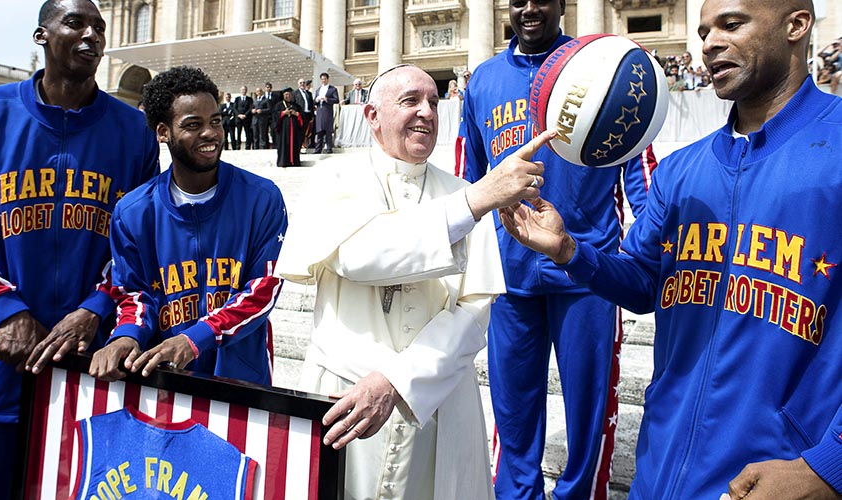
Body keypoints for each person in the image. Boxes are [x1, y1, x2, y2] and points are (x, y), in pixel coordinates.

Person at [498, 1, 842, 499]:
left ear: (797, 25)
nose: (710, 43)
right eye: (703, 31)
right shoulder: (681, 169)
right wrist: (570, 250)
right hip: (660, 474)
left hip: (779, 480)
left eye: (732, 24)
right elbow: (642, 283)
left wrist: (827, 467)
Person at [276, 64, 556, 500]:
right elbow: (358, 255)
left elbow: (475, 310)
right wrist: (476, 199)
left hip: (437, 395)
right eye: (410, 101)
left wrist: (399, 379)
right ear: (372, 116)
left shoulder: (462, 192)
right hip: (345, 390)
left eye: (433, 101)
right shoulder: (333, 178)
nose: (426, 111)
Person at [0, 0, 159, 496]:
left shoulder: (134, 133)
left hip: (90, 360)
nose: (91, 35)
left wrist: (95, 307)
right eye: (75, 23)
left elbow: (138, 246)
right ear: (41, 36)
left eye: (99, 27)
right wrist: (6, 308)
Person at [455, 0, 659, 498]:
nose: (529, 9)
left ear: (561, 5)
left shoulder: (601, 63)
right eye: (518, 0)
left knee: (589, 416)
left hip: (587, 273)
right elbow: (469, 178)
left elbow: (640, 169)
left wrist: (640, 254)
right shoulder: (481, 80)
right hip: (510, 276)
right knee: (513, 412)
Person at [89, 66, 287, 385]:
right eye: (193, 125)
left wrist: (196, 338)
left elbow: (263, 289)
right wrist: (126, 335)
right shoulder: (133, 211)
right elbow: (134, 292)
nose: (210, 133)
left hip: (238, 378)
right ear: (163, 132)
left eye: (216, 121)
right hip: (162, 378)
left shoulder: (261, 198)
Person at [273, 87, 304, 167]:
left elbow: (303, 117)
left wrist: (297, 114)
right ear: (283, 95)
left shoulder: (296, 106)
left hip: (294, 132)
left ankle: (294, 162)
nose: (288, 96)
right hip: (283, 132)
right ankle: (283, 162)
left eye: (290, 94)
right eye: (286, 94)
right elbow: (274, 116)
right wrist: (283, 113)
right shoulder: (278, 105)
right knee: (283, 146)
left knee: (294, 146)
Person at [313, 72, 339, 154]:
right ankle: (318, 149)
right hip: (319, 111)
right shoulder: (318, 90)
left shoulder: (333, 89)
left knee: (328, 131)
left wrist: (326, 99)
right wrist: (316, 100)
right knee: (319, 131)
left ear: (327, 79)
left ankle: (329, 148)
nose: (323, 80)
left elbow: (336, 100)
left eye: (325, 79)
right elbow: (314, 102)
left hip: (327, 111)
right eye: (322, 79)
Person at [293, 78, 315, 150]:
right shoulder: (295, 93)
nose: (302, 84)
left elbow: (311, 104)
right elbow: (293, 104)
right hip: (299, 115)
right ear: (298, 84)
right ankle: (298, 147)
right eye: (300, 83)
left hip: (307, 115)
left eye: (303, 83)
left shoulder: (309, 93)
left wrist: (312, 115)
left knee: (305, 132)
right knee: (299, 132)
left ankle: (303, 145)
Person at [233, 85, 254, 150]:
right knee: (238, 133)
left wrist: (245, 115)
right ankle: (237, 147)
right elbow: (234, 108)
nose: (243, 91)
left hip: (246, 118)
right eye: (242, 90)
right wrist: (239, 115)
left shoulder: (249, 99)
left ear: (246, 91)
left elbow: (250, 108)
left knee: (247, 133)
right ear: (240, 91)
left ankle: (247, 147)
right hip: (238, 119)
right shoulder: (237, 99)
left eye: (244, 89)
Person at [263, 82, 279, 148]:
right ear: (265, 88)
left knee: (273, 131)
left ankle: (275, 145)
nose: (268, 88)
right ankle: (266, 145)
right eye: (267, 87)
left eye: (269, 87)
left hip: (273, 116)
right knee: (264, 131)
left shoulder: (275, 96)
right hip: (265, 116)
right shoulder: (262, 97)